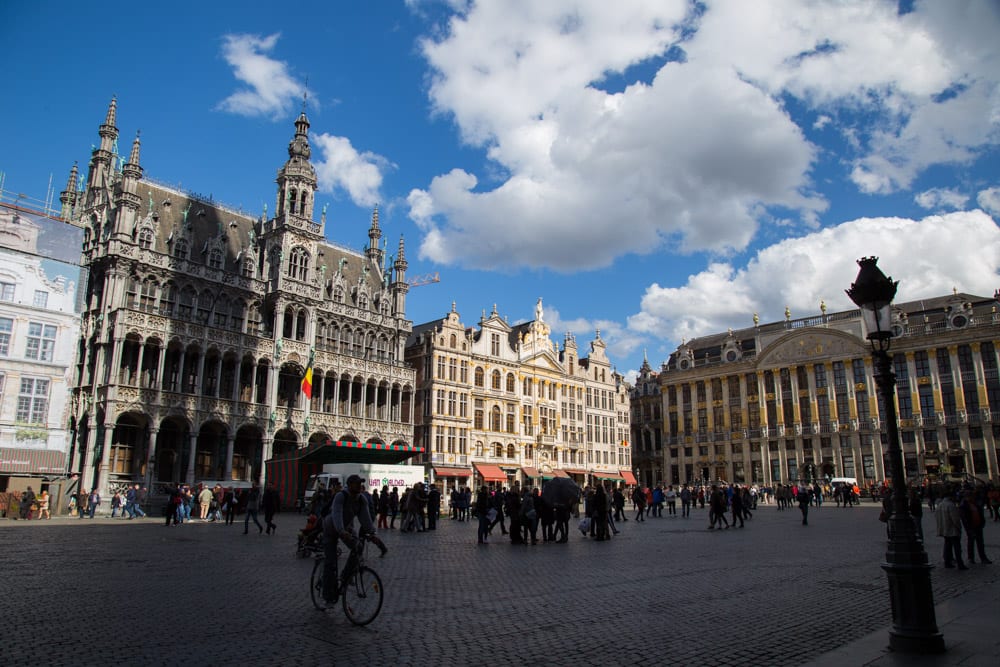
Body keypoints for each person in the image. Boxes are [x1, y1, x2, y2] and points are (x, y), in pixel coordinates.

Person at [321, 474, 376, 604]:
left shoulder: (361, 499)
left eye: (361, 483)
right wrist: (341, 531)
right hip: (331, 528)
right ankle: (328, 596)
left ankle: (345, 575)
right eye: (357, 483)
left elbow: (365, 519)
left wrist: (372, 533)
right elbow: (337, 514)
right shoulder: (341, 496)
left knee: (358, 547)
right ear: (350, 485)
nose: (360, 486)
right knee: (331, 562)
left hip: (346, 529)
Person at [959, 490, 992, 564]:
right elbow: (964, 519)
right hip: (971, 527)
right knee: (971, 542)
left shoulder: (975, 503)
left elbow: (980, 513)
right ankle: (971, 558)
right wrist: (968, 528)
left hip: (978, 525)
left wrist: (982, 522)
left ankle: (983, 557)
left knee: (980, 542)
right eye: (971, 496)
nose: (973, 497)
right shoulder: (964, 505)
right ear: (967, 497)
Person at [936, 489, 966, 569]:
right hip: (952, 529)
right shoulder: (951, 505)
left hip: (945, 529)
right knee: (957, 547)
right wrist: (959, 528)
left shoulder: (940, 505)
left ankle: (947, 562)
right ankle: (960, 563)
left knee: (947, 546)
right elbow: (955, 519)